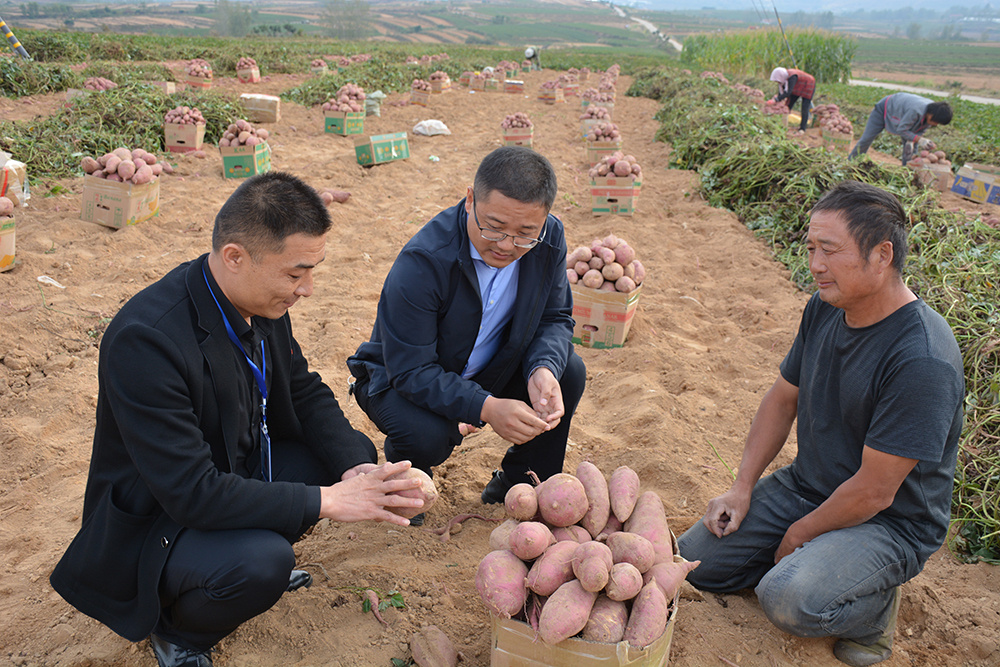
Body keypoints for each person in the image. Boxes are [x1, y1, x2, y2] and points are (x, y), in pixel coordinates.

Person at [50, 172, 426, 667]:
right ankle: (178, 634)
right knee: (263, 562)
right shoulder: (146, 340)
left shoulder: (258, 299)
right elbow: (191, 492)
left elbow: (302, 390)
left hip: (233, 466)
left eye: (312, 271)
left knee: (331, 456)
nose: (307, 289)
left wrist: (354, 467)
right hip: (159, 519)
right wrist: (330, 500)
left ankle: (243, 550)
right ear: (234, 257)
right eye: (295, 274)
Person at [678, 180, 964, 667]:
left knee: (787, 599)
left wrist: (799, 535)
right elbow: (781, 400)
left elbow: (874, 492)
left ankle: (873, 609)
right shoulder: (825, 308)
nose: (815, 264)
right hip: (808, 486)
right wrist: (742, 487)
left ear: (882, 254)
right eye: (811, 248)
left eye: (829, 250)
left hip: (889, 523)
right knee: (692, 564)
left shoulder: (921, 358)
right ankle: (815, 566)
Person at [347, 146, 586, 519]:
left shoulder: (549, 239)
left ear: (543, 220)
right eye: (494, 226)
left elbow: (555, 317)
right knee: (424, 435)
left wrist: (542, 368)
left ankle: (521, 481)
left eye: (525, 234)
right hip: (399, 377)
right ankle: (410, 472)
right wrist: (486, 407)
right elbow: (410, 371)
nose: (506, 245)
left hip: (489, 365)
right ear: (470, 199)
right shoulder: (425, 261)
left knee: (566, 372)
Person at [847, 93, 952, 165]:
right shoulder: (916, 111)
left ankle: (907, 170)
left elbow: (917, 134)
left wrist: (921, 141)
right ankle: (851, 162)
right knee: (867, 138)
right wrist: (919, 139)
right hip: (884, 109)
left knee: (910, 146)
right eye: (936, 121)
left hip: (903, 113)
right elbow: (902, 130)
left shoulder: (933, 113)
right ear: (931, 115)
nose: (935, 124)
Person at [769, 66, 815, 133]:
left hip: (808, 84)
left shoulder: (792, 77)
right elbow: (782, 91)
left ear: (780, 76)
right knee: (789, 104)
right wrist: (777, 99)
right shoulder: (784, 78)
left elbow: (788, 92)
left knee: (805, 107)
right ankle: (783, 122)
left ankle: (802, 128)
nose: (778, 82)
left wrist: (776, 100)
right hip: (798, 86)